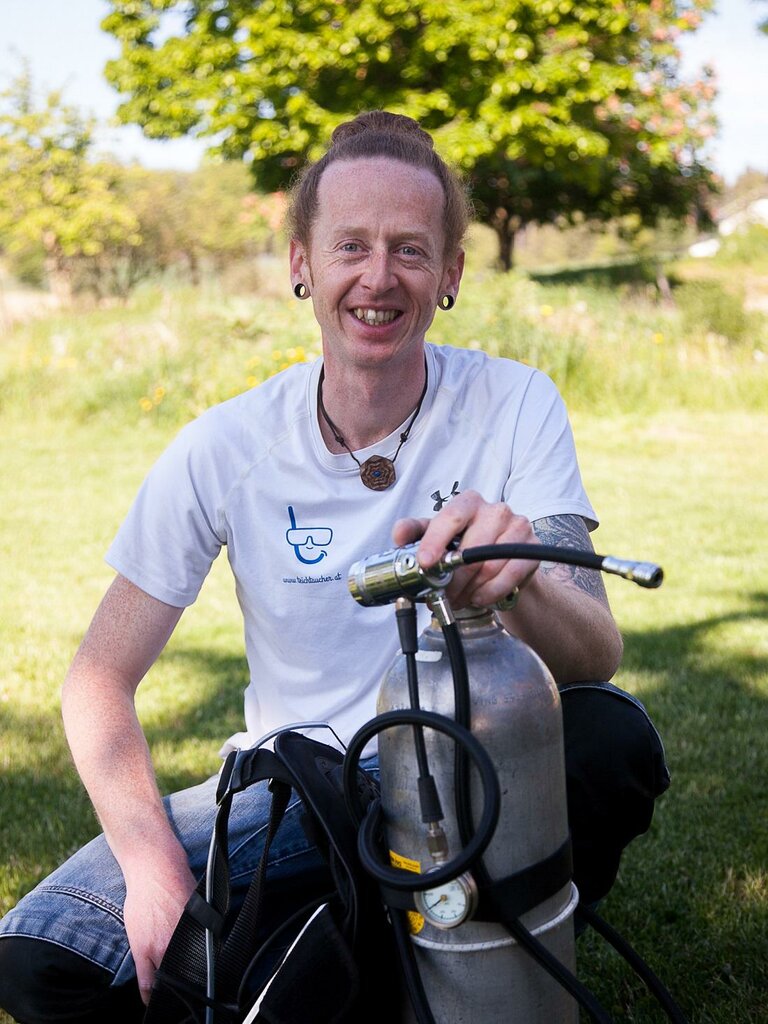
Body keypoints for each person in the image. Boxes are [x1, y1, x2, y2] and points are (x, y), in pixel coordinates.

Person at [0, 111, 669, 1023]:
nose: (378, 277)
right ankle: (369, 946)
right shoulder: (225, 446)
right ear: (301, 264)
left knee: (608, 737)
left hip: (465, 760)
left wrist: (518, 579)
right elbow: (96, 681)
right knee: (41, 960)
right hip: (299, 790)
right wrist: (153, 867)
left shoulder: (516, 403)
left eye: (410, 250)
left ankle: (389, 957)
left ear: (450, 274)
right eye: (350, 245)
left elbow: (595, 653)